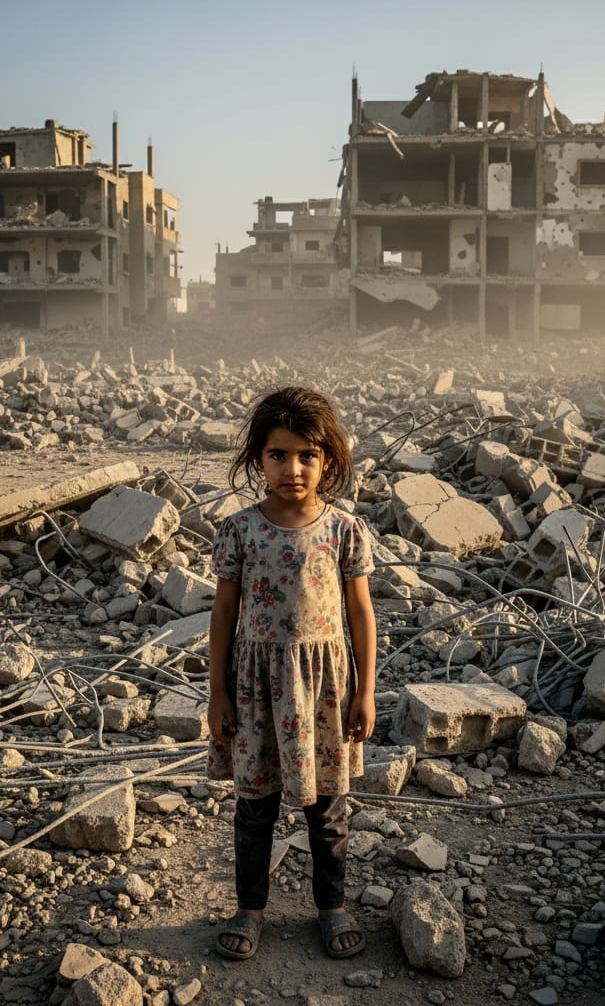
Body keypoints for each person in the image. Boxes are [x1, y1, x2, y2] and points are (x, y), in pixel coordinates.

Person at [207, 386, 377, 961]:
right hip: (256, 686)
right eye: (278, 455)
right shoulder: (239, 529)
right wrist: (218, 695)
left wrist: (367, 693)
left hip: (325, 687)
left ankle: (331, 908)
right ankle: (250, 910)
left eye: (307, 455)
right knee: (255, 805)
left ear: (327, 458)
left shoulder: (343, 530)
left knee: (326, 807)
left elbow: (360, 614)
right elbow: (225, 614)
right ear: (259, 459)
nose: (293, 469)